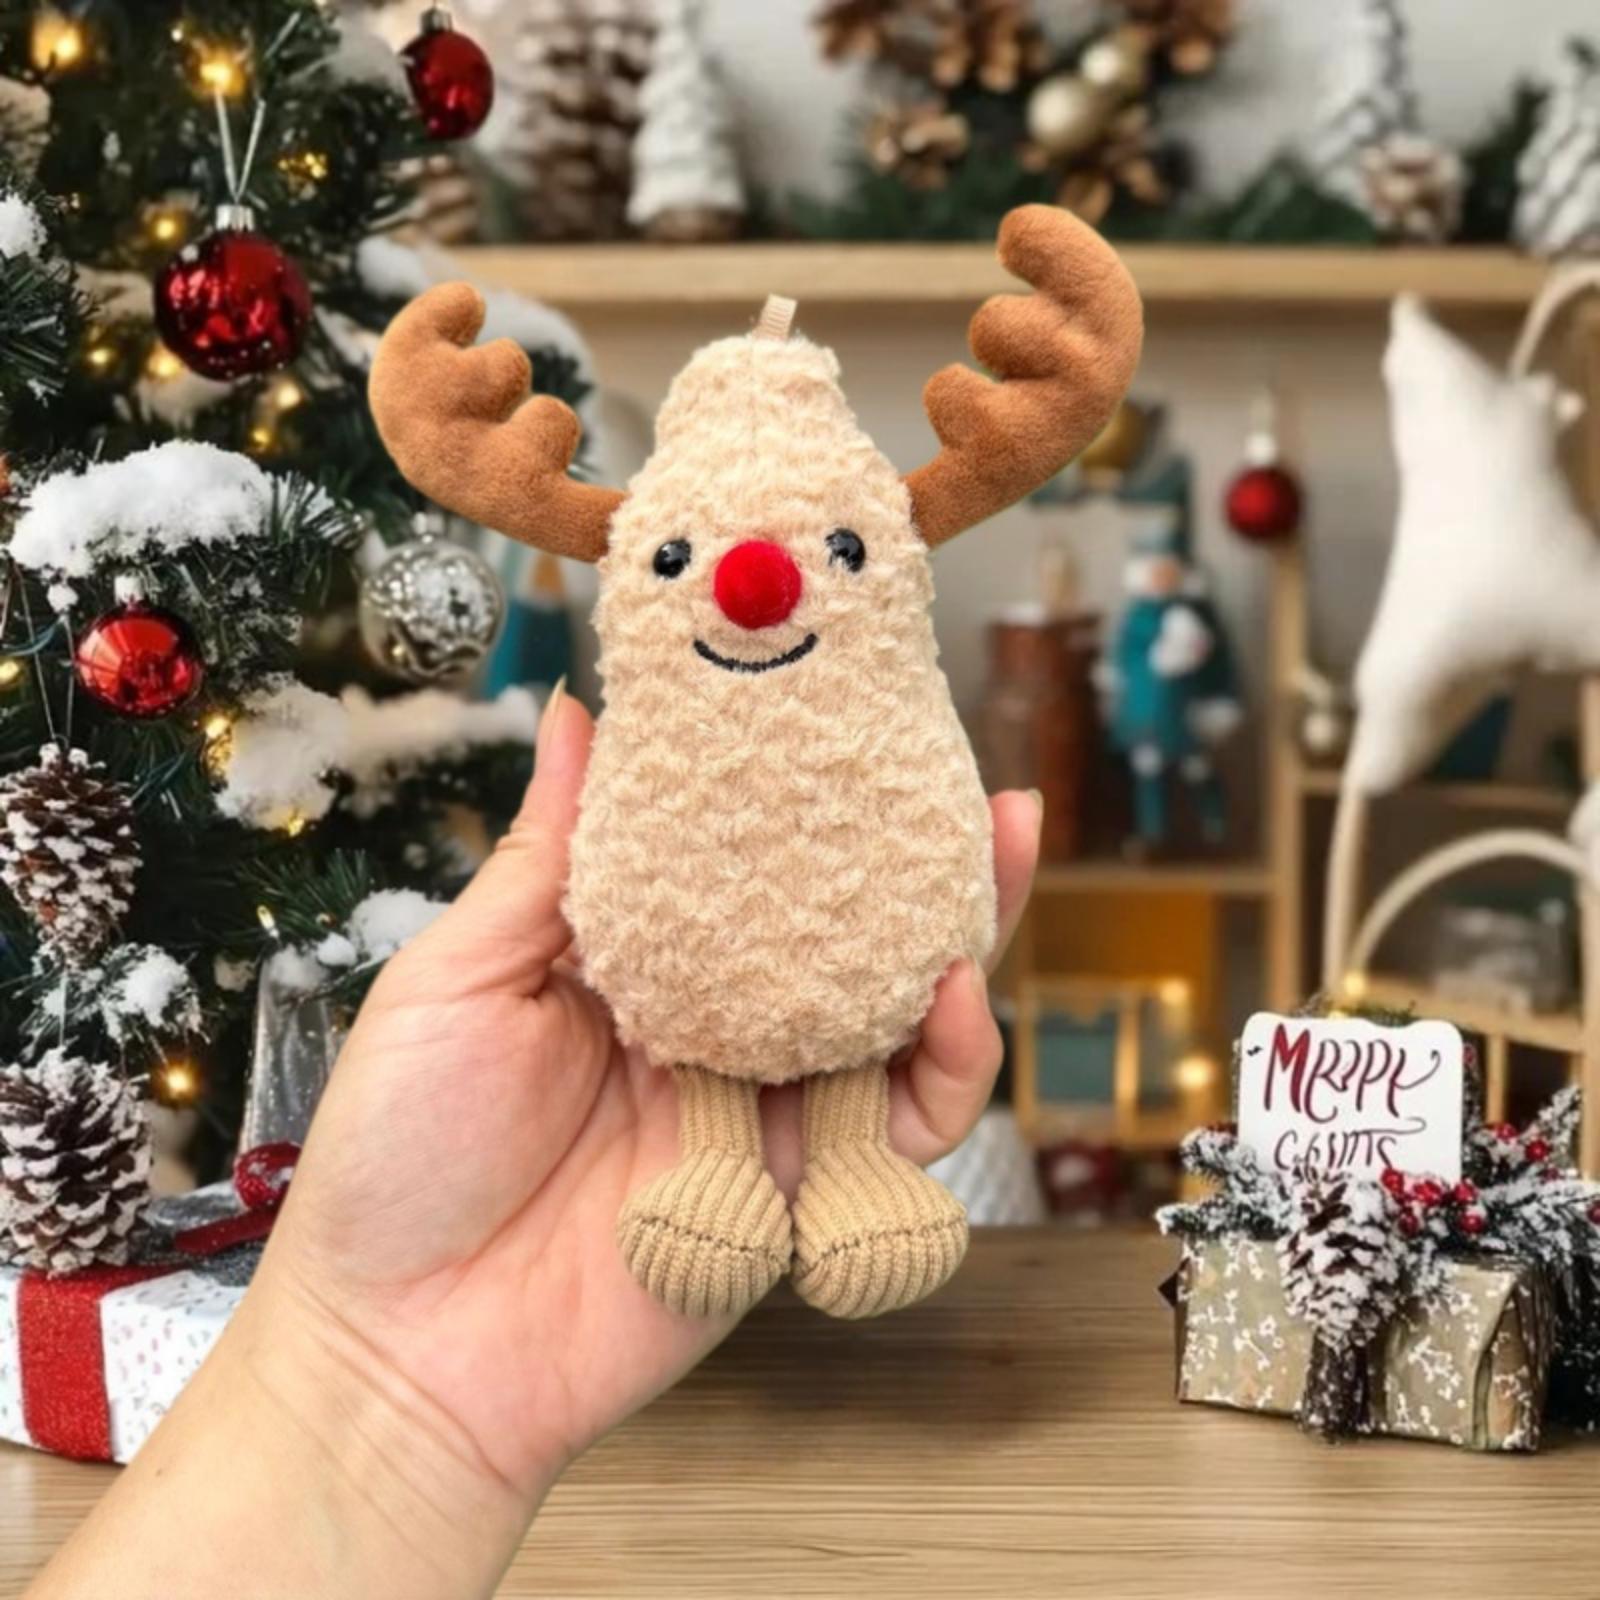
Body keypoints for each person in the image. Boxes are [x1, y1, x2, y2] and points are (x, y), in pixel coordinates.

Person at [26, 684, 1042, 1600]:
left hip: (843, 1009)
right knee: (702, 1034)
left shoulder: (889, 730)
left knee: (875, 1015)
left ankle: (849, 1156)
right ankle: (720, 1155)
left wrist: (364, 1389)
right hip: (687, 1019)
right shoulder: (660, 762)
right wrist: (364, 1365)